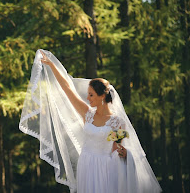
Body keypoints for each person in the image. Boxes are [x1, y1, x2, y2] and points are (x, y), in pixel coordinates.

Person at [19, 49, 162, 193]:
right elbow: (67, 88)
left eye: (91, 95)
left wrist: (124, 153)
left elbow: (116, 149)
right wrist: (51, 65)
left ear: (102, 96)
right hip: (86, 164)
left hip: (105, 168)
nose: (88, 98)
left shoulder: (117, 123)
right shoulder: (87, 113)